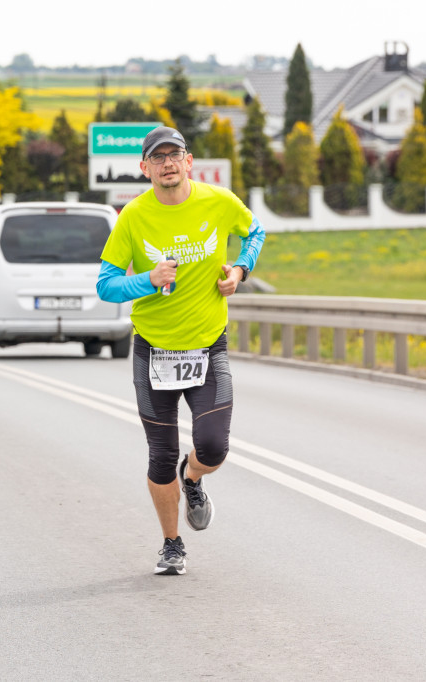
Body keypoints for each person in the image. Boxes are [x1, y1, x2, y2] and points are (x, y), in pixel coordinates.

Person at [96, 126, 265, 576]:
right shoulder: (133, 217)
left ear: (189, 161)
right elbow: (106, 285)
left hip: (208, 346)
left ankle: (193, 479)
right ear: (145, 168)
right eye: (158, 157)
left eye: (175, 155)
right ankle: (172, 544)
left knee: (213, 447)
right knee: (160, 454)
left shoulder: (220, 202)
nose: (167, 163)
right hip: (153, 351)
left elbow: (256, 232)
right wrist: (147, 280)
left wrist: (241, 269)